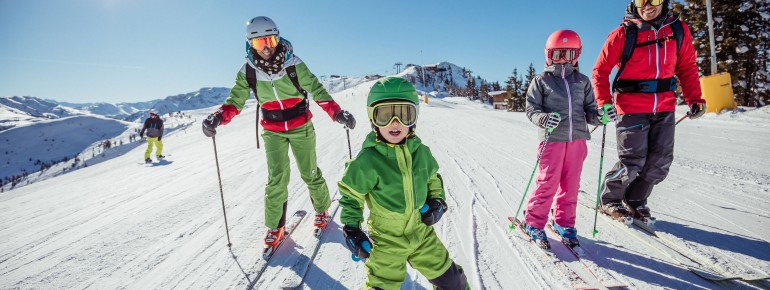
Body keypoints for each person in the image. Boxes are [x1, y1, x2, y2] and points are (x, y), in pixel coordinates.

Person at [200, 16, 356, 251]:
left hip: (301, 125)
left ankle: (322, 210)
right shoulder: (248, 71)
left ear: (278, 39)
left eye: (270, 41)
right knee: (276, 179)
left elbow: (316, 88)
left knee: (310, 172)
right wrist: (219, 117)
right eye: (259, 43)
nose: (266, 48)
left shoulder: (293, 64)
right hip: (272, 131)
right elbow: (235, 100)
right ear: (250, 45)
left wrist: (337, 113)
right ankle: (275, 226)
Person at [339, 77, 469, 290]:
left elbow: (432, 179)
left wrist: (437, 201)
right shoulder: (367, 161)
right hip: (386, 240)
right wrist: (352, 228)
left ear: (414, 118)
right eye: (385, 115)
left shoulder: (421, 153)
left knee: (453, 281)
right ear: (373, 118)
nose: (395, 122)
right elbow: (351, 195)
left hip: (421, 233)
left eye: (404, 114)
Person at [592, 0, 706, 220]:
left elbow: (687, 67)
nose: (647, 5)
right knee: (633, 162)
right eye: (641, 0)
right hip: (631, 107)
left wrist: (695, 98)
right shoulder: (622, 34)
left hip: (665, 106)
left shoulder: (678, 30)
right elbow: (600, 70)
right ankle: (610, 199)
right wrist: (604, 103)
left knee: (660, 161)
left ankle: (635, 199)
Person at [523, 30, 603, 249]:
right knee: (547, 183)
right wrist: (544, 118)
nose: (563, 59)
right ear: (549, 55)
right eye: (558, 54)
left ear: (577, 55)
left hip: (577, 140)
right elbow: (531, 109)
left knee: (571, 185)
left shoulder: (582, 81)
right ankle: (534, 222)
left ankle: (564, 223)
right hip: (552, 140)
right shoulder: (541, 81)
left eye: (569, 54)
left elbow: (590, 111)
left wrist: (602, 117)